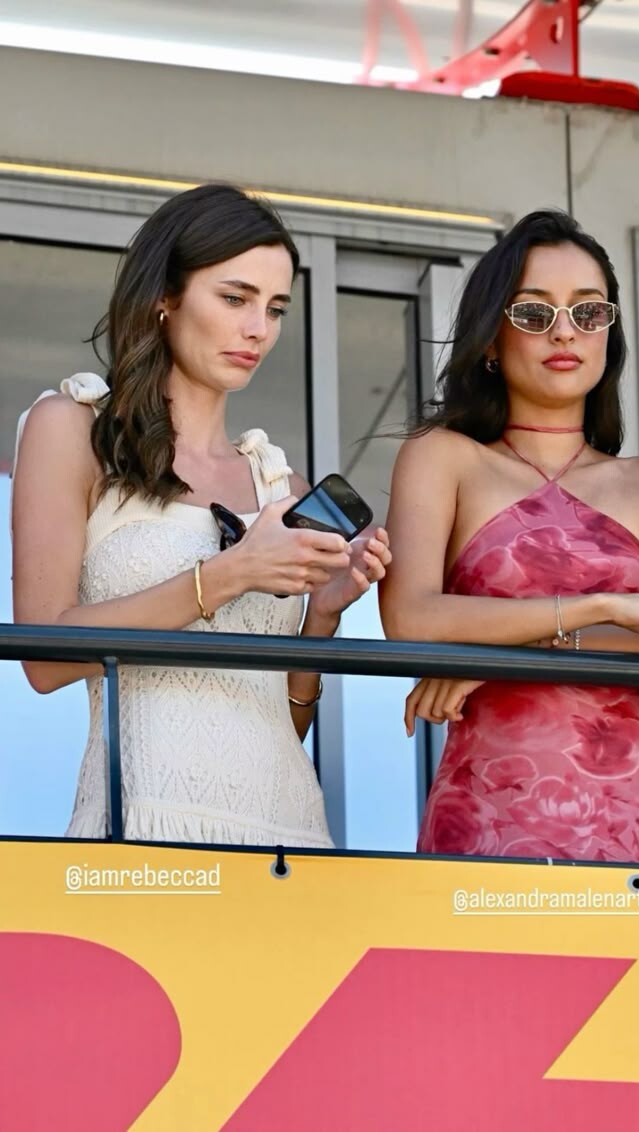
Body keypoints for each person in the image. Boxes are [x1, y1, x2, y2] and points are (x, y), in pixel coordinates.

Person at [11, 183, 391, 847]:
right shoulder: (72, 429)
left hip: (290, 835)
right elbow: (43, 658)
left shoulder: (279, 487)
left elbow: (281, 723)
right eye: (236, 298)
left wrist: (322, 618)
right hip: (144, 825)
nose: (259, 329)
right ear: (166, 295)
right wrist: (230, 574)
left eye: (275, 308)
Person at [379, 209, 639, 865]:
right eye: (534, 313)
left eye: (588, 312)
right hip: (483, 823)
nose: (565, 331)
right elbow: (410, 618)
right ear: (491, 338)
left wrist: (500, 651)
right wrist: (606, 608)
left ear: (609, 336)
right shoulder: (442, 457)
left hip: (634, 831)